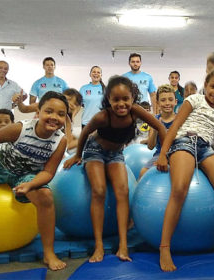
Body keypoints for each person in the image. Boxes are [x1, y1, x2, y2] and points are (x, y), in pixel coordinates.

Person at [0, 91, 69, 271]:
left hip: (25, 175)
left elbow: (48, 172)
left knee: (46, 197)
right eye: (49, 111)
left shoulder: (60, 141)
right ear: (38, 112)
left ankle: (49, 253)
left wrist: (31, 184)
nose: (54, 117)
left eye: (61, 114)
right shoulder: (21, 128)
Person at [63, 76, 166, 263]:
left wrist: (165, 154)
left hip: (116, 153)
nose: (121, 104)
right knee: (99, 191)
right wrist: (78, 155)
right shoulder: (103, 116)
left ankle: (123, 245)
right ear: (108, 99)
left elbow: (160, 127)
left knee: (123, 191)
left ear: (132, 97)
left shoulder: (136, 112)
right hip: (95, 151)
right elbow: (85, 134)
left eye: (125, 99)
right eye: (115, 99)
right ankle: (99, 245)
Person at [155, 68, 214, 272]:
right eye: (213, 86)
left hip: (206, 148)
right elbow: (175, 126)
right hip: (184, 142)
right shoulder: (194, 99)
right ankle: (165, 247)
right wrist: (163, 153)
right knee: (179, 189)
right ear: (206, 85)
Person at [14, 89, 82, 151]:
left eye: (75, 104)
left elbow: (67, 145)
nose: (71, 104)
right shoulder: (45, 104)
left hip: (48, 143)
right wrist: (19, 102)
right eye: (68, 99)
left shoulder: (67, 120)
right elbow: (24, 109)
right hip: (33, 135)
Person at [139, 84, 176, 178]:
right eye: (163, 100)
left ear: (175, 102)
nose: (167, 103)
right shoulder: (155, 119)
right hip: (159, 154)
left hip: (177, 153)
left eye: (170, 100)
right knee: (143, 173)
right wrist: (156, 129)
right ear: (158, 103)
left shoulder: (179, 119)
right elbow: (151, 146)